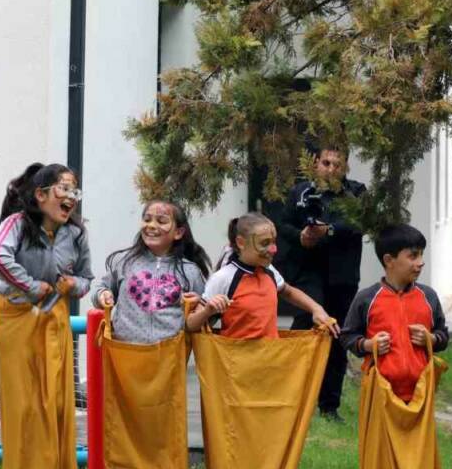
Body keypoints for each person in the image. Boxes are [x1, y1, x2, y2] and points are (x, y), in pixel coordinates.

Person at [0, 162, 92, 469]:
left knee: (56, 406)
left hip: (54, 320)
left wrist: (72, 286)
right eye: (64, 189)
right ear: (41, 194)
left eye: (74, 190)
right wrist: (31, 286)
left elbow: (86, 279)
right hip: (17, 319)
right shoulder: (16, 225)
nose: (71, 198)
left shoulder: (76, 233)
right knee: (26, 410)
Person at [270, 145, 366, 421]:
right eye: (326, 163)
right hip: (307, 274)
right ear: (315, 164)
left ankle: (329, 406)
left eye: (338, 164)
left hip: (342, 276)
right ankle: (292, 397)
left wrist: (329, 230)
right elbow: (283, 225)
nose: (331, 169)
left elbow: (358, 224)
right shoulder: (300, 192)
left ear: (346, 167)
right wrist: (301, 237)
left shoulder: (356, 192)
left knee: (337, 336)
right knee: (304, 330)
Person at [339, 224, 448, 402]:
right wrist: (368, 344)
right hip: (379, 395)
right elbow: (347, 336)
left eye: (421, 254)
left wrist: (431, 339)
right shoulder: (366, 298)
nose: (421, 262)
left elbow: (443, 335)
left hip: (421, 394)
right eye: (413, 256)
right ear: (389, 260)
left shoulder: (429, 296)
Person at [186, 212, 337, 338]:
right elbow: (191, 325)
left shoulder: (269, 270)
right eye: (264, 243)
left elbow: (288, 291)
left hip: (268, 358)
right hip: (236, 360)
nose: (273, 249)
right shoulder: (223, 278)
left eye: (274, 242)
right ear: (241, 243)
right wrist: (208, 310)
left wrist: (316, 309)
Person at [92, 200, 210, 344]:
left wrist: (200, 307)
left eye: (161, 221)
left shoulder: (190, 271)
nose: (151, 225)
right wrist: (102, 295)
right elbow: (99, 291)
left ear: (178, 233)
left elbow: (206, 316)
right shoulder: (125, 262)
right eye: (147, 219)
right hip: (123, 352)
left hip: (171, 354)